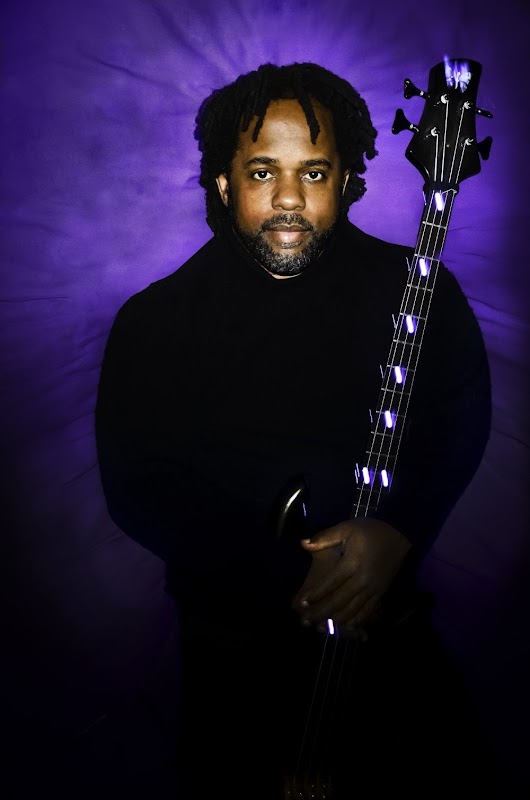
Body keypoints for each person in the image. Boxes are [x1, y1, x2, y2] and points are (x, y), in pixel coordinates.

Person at [95, 62, 503, 798]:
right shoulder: (155, 322)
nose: (289, 198)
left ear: (347, 181)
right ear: (225, 184)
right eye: (262, 172)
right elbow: (137, 489)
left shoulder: (419, 290)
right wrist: (296, 573)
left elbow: (459, 415)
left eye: (313, 172)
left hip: (391, 643)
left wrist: (400, 529)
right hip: (236, 667)